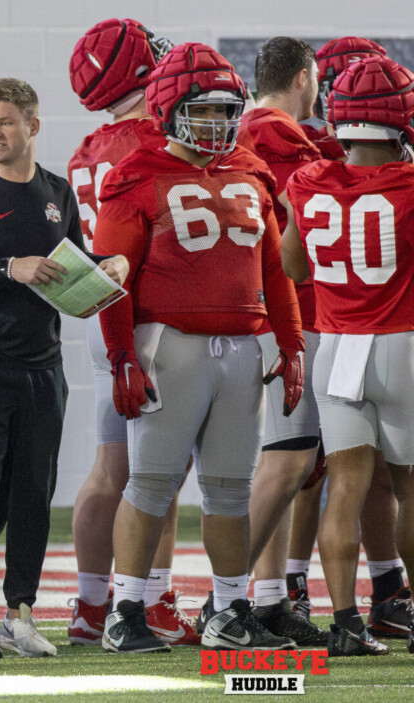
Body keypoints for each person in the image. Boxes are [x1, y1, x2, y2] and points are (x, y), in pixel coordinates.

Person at [94, 42, 303, 654]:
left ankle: (229, 609)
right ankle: (125, 609)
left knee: (231, 489)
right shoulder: (135, 173)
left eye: (223, 110)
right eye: (202, 110)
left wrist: (290, 345)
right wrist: (122, 358)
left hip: (241, 349)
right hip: (169, 344)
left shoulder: (250, 169)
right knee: (151, 484)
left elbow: (275, 270)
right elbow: (112, 281)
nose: (215, 122)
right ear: (170, 110)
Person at [0, 77, 128, 660]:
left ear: (33, 126)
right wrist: (5, 268)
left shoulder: (57, 192)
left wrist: (108, 264)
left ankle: (20, 616)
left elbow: (69, 262)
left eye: (6, 123)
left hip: (45, 365)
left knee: (33, 496)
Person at [64, 18, 197, 648]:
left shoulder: (88, 148)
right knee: (157, 475)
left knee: (107, 468)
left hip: (101, 313)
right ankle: (150, 599)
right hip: (146, 316)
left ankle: (92, 605)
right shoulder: (156, 141)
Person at [281, 55, 414, 657]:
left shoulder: (307, 183)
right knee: (410, 489)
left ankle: (344, 624)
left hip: (335, 347)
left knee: (346, 487)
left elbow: (292, 266)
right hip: (403, 343)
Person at [230, 36, 330, 646]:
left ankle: (267, 598)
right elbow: (297, 231)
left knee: (284, 461)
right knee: (290, 456)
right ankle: (225, 596)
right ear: (304, 77)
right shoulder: (278, 137)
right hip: (283, 311)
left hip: (265, 310)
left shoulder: (248, 129)